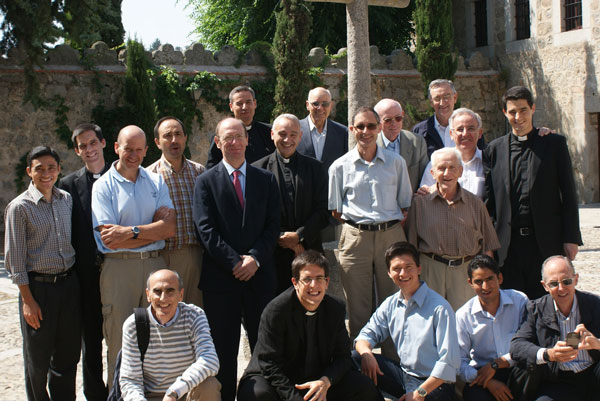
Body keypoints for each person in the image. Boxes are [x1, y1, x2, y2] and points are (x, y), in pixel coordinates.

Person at [193, 117, 280, 401]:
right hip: (222, 280)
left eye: (238, 137)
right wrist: (234, 262)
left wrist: (254, 258)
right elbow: (205, 229)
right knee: (223, 351)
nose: (233, 143)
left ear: (247, 140)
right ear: (217, 143)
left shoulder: (265, 179)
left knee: (263, 347)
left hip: (260, 277)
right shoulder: (205, 182)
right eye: (226, 138)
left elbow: (272, 226)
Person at [91, 125, 176, 386]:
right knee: (119, 342)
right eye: (128, 149)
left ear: (146, 150)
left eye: (139, 150)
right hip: (120, 269)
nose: (134, 155)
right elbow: (110, 241)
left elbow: (170, 228)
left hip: (155, 266)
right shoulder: (103, 186)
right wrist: (152, 230)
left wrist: (130, 231)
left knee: (159, 339)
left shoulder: (156, 180)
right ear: (116, 148)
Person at [237, 251, 382, 401]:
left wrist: (326, 381)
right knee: (255, 393)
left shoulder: (335, 308)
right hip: (278, 379)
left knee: (363, 386)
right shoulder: (276, 311)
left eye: (319, 278)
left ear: (327, 282)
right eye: (307, 279)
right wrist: (294, 398)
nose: (314, 285)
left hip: (317, 378)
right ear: (295, 282)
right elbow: (269, 364)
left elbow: (343, 357)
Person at [484, 86, 582, 299]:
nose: (518, 117)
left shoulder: (553, 144)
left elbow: (568, 193)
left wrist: (571, 237)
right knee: (512, 304)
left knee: (547, 302)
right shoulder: (494, 149)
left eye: (523, 110)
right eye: (512, 112)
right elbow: (489, 202)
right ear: (504, 113)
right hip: (508, 247)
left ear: (533, 109)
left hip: (545, 242)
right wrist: (488, 245)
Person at [328, 106, 412, 355]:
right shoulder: (340, 167)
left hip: (391, 236)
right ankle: (361, 364)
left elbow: (405, 203)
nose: (366, 131)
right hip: (356, 238)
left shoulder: (396, 163)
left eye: (371, 126)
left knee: (395, 300)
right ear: (352, 129)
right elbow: (336, 210)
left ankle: (393, 363)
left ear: (379, 128)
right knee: (358, 305)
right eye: (360, 126)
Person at [4, 146, 81, 401]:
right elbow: (14, 260)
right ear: (29, 172)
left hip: (68, 286)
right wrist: (28, 301)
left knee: (68, 355)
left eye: (51, 167)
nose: (46, 173)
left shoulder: (66, 200)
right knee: (37, 360)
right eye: (39, 168)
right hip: (38, 290)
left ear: (59, 170)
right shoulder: (19, 208)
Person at [354, 242, 460, 401]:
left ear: (419, 269)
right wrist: (367, 353)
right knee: (356, 357)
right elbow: (365, 336)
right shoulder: (390, 304)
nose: (403, 273)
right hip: (404, 376)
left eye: (408, 267)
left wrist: (419, 394)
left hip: (434, 385)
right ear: (389, 273)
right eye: (396, 269)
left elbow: (448, 364)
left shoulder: (439, 308)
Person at [405, 147, 500, 310]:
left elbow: (487, 246)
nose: (446, 173)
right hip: (430, 270)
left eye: (452, 168)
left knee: (463, 323)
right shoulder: (419, 203)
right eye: (441, 168)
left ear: (460, 171)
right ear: (433, 173)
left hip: (465, 271)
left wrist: (486, 278)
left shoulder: (475, 204)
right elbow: (411, 245)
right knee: (430, 319)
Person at [58, 123, 110, 400]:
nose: (89, 150)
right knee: (90, 344)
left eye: (92, 143)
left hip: (118, 271)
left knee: (122, 339)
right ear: (77, 151)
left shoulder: (121, 175)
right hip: (86, 278)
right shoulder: (67, 186)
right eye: (82, 146)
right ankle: (94, 395)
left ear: (103, 143)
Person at [253, 114, 329, 294]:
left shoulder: (315, 168)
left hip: (309, 250)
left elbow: (324, 209)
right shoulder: (257, 170)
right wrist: (283, 238)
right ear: (272, 135)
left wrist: (299, 236)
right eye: (282, 134)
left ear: (300, 136)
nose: (288, 140)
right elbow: (255, 215)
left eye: (293, 134)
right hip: (271, 255)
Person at [119, 269, 221, 401]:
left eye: (170, 291)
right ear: (148, 295)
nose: (163, 298)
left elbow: (210, 360)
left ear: (181, 294)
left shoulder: (194, 316)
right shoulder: (134, 325)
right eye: (157, 291)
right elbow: (130, 380)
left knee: (209, 385)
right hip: (151, 396)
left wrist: (174, 392)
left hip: (185, 393)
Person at [510, 256, 600, 400]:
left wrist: (597, 344)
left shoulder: (595, 304)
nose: (561, 288)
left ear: (576, 279)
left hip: (593, 374)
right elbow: (517, 347)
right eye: (553, 284)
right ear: (545, 286)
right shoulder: (535, 309)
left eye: (567, 281)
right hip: (558, 380)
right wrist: (548, 354)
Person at [148, 116, 205, 306]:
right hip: (164, 257)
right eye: (167, 135)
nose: (174, 140)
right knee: (166, 314)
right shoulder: (149, 176)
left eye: (178, 134)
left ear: (185, 138)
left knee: (196, 315)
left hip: (196, 257)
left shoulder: (200, 173)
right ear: (157, 142)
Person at [456, 255, 528, 401]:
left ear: (499, 278)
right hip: (483, 374)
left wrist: (496, 364)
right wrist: (487, 381)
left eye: (489, 279)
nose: (485, 287)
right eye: (478, 281)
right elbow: (459, 361)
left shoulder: (519, 301)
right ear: (470, 283)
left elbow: (529, 343)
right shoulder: (463, 315)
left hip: (518, 369)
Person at [419, 108, 485, 199]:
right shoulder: (437, 163)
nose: (465, 134)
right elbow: (425, 196)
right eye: (460, 129)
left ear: (480, 133)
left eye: (471, 128)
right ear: (451, 134)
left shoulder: (488, 162)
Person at [412, 79, 485, 157]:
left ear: (455, 98)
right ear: (431, 102)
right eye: (437, 99)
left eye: (446, 97)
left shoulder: (471, 127)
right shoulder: (420, 132)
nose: (442, 103)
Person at [206, 85, 274, 168]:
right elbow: (212, 167)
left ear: (255, 104)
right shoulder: (223, 135)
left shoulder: (268, 132)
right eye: (239, 103)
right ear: (231, 107)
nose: (244, 107)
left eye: (248, 102)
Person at [374, 98, 428, 193]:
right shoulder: (371, 145)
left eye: (398, 118)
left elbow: (425, 177)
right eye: (388, 120)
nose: (394, 123)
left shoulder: (417, 142)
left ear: (403, 115)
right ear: (378, 121)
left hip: (410, 203)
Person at [297, 87, 348, 171]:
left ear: (331, 105)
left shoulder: (342, 133)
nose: (320, 108)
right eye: (315, 103)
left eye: (325, 104)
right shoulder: (295, 130)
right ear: (307, 105)